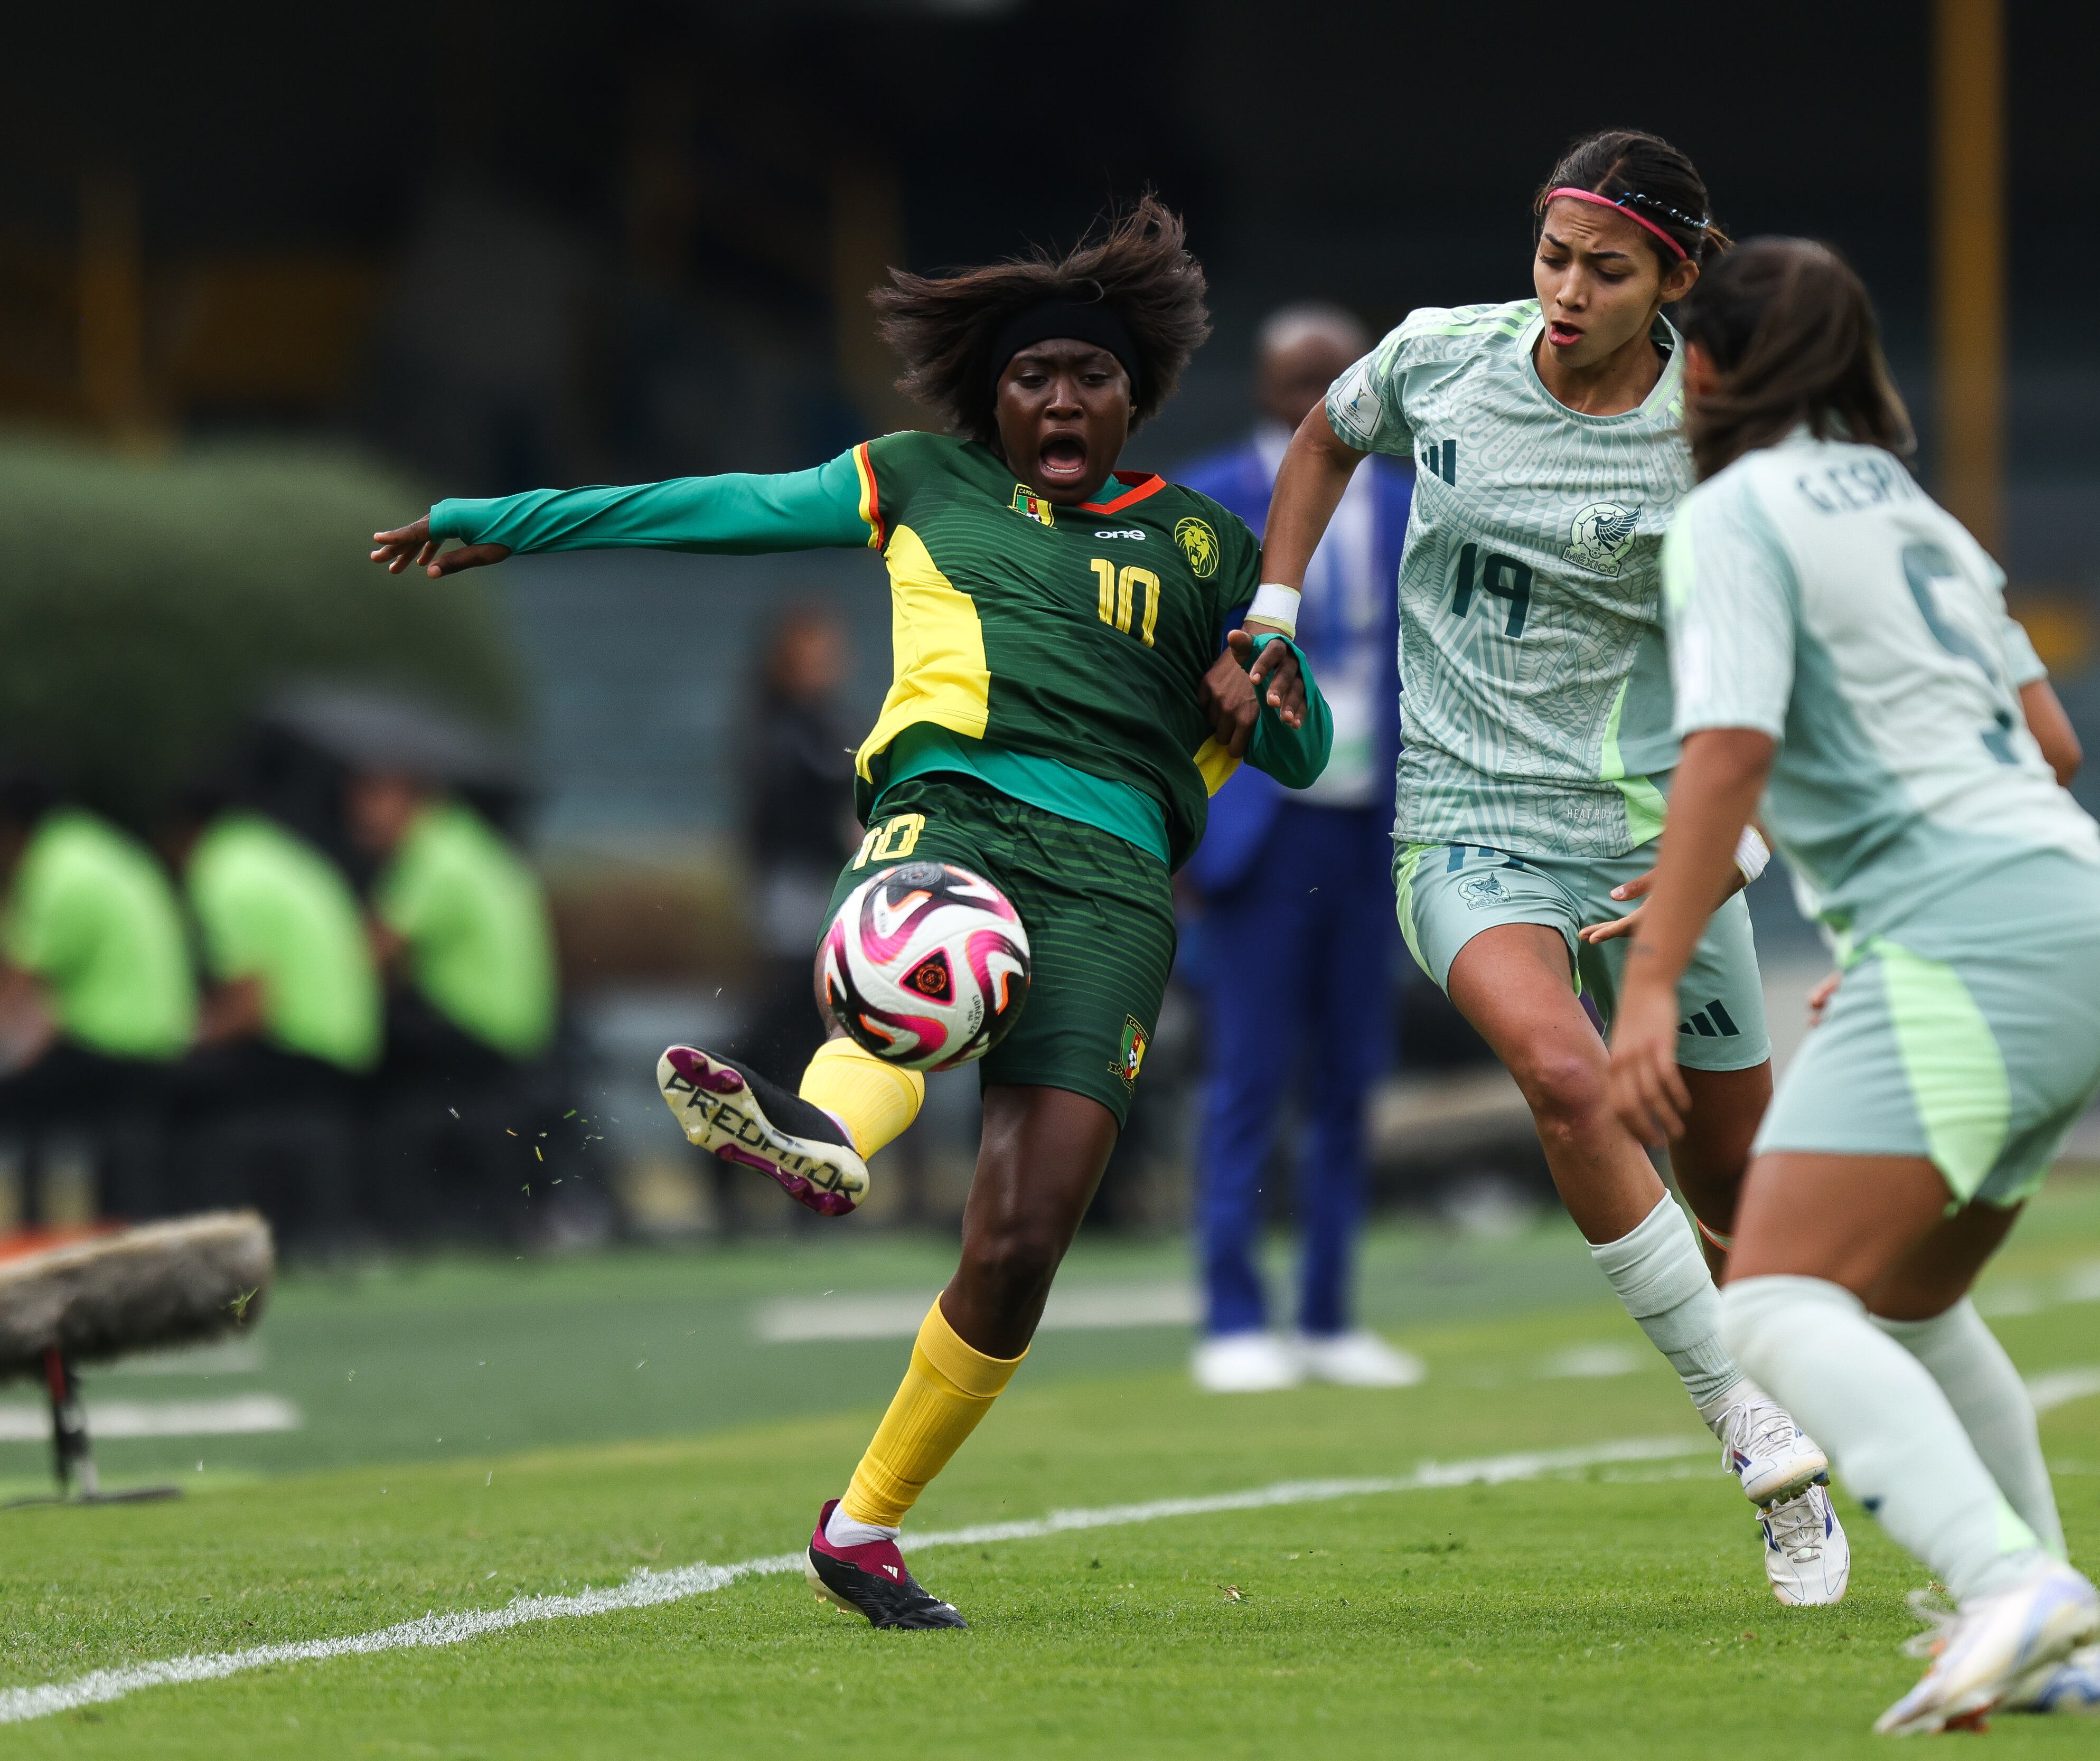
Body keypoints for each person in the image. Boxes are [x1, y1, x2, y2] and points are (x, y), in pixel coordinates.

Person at [370, 197, 1328, 1630]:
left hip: (1121, 885)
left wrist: (1270, 690)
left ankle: (862, 1524)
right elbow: (723, 507)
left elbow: (1302, 756)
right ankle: (822, 1132)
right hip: (954, 818)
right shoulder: (919, 478)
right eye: (1030, 377)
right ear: (990, 398)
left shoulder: (1202, 544)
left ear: (1135, 395)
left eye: (1089, 378)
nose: (1060, 399)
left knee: (1020, 1240)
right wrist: (506, 521)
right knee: (907, 957)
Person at [1257, 128, 1845, 1603]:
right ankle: (1751, 1430)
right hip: (1466, 823)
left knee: (1742, 1196)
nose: (1566, 290)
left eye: (1608, 267)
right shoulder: (1440, 359)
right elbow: (1327, 432)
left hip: (1660, 846)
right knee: (1569, 1076)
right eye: (1552, 255)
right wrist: (1273, 604)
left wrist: (1736, 854)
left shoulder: (1728, 438)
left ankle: (1819, 1386)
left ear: (1677, 279)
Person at [1601, 237, 2100, 1729]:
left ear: (1707, 365)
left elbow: (1725, 751)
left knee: (1774, 1302)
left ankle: (2010, 1581)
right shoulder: (1915, 510)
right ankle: (2045, 1617)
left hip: (1976, 937)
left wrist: (1652, 986)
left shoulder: (1735, 514)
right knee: (1906, 1299)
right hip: (2085, 926)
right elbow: (2054, 742)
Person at [1177, 304, 1417, 1393]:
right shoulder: (1210, 500)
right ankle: (1233, 1312)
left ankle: (1326, 1314)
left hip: (1376, 824)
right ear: (1265, 390)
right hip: (1258, 832)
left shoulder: (1417, 499)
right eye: (1297, 383)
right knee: (1247, 1076)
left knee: (1348, 1080)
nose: (1317, 402)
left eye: (1338, 379)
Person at [349, 769, 561, 1239]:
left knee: (348, 1050)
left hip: (474, 1030)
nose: (360, 814)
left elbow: (371, 953)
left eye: (371, 796)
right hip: (519, 1032)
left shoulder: (432, 856)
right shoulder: (475, 846)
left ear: (412, 797)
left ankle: (378, 1220)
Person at [166, 787, 382, 1248]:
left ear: (183, 835)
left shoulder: (221, 873)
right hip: (349, 1038)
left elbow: (251, 1007)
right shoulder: (279, 855)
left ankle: (205, 1244)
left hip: (297, 1043)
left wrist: (188, 1034)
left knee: (166, 1089)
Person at [0, 774, 195, 1222]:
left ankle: (30, 1232)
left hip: (113, 1041)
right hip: (163, 1033)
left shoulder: (54, 871)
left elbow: (19, 988)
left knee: (14, 1102)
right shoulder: (96, 850)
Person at [730, 602, 862, 1088]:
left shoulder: (828, 722)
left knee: (808, 1017)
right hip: (800, 888)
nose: (828, 662)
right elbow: (787, 814)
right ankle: (737, 1081)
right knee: (793, 1009)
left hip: (827, 886)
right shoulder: (782, 729)